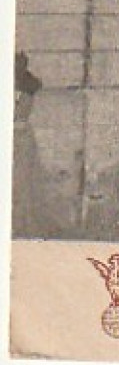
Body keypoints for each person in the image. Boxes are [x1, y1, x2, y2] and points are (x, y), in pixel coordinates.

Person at [13, 54, 46, 237]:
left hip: (21, 137)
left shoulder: (26, 91)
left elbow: (19, 113)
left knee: (22, 182)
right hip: (22, 136)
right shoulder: (28, 89)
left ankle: (20, 223)